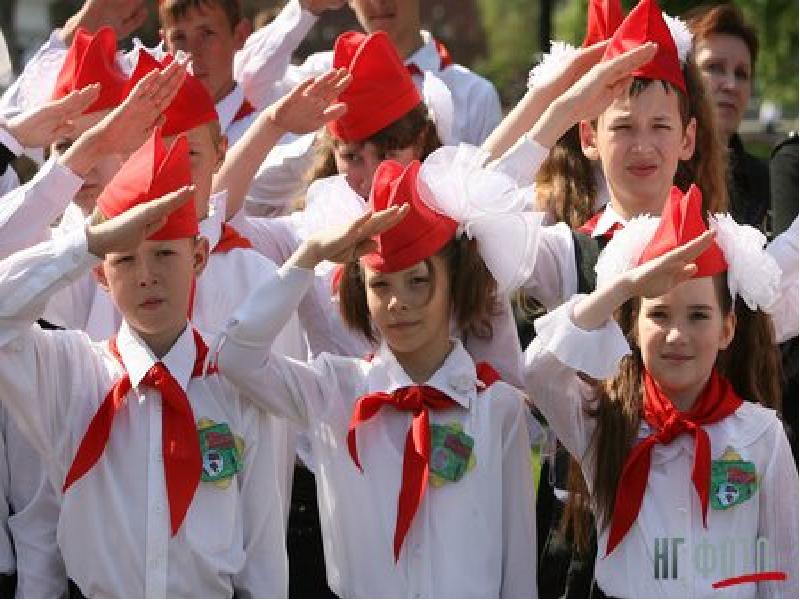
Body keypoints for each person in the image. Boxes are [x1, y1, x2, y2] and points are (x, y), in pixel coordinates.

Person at [214, 157, 538, 598]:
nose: (397, 302)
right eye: (380, 285)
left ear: (454, 283)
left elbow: (517, 567)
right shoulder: (336, 390)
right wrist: (309, 257)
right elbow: (236, 356)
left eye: (418, 281)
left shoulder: (496, 407)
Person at [0, 132, 288, 597]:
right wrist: (86, 244)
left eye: (164, 253)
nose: (146, 276)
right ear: (100, 274)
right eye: (125, 259)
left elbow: (263, 553)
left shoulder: (233, 382)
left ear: (199, 257)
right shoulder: (72, 373)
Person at [523, 183, 797, 598]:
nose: (676, 335)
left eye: (698, 315)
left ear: (727, 329)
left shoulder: (761, 437)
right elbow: (538, 370)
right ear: (634, 327)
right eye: (660, 314)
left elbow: (783, 574)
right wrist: (624, 288)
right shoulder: (605, 421)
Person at [684, 2, 770, 230]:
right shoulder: (654, 173)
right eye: (714, 67)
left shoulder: (772, 184)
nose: (731, 85)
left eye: (741, 74)